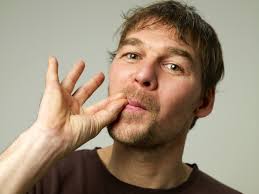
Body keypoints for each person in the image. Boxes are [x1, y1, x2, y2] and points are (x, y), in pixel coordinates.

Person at [0, 1, 242, 194]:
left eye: (173, 66)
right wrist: (44, 138)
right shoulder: (38, 177)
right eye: (133, 55)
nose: (143, 75)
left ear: (204, 102)